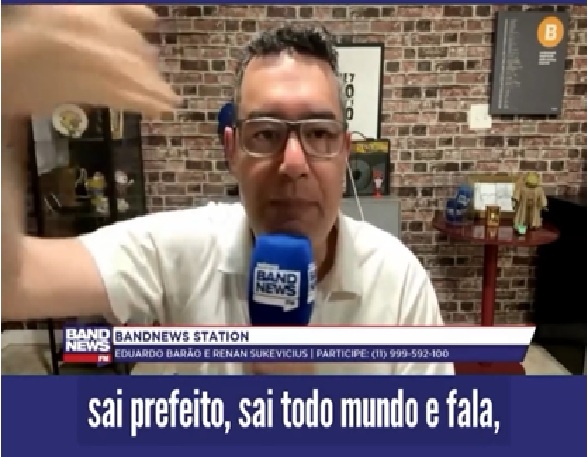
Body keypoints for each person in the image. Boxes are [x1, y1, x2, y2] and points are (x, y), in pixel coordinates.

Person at [2, 6, 454, 376]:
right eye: (265, 133)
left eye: (318, 133)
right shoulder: (179, 249)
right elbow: (14, 283)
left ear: (345, 153)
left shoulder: (398, 282)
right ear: (232, 151)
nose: (293, 163)